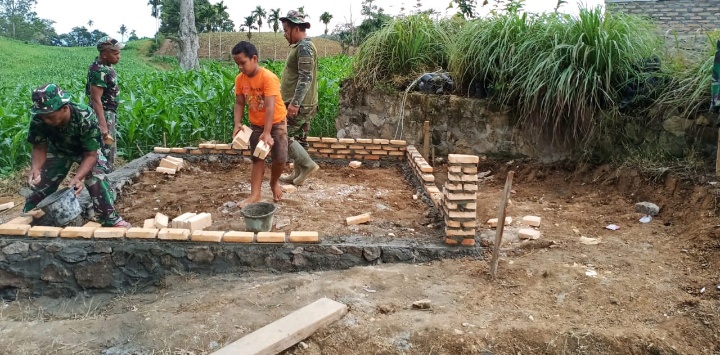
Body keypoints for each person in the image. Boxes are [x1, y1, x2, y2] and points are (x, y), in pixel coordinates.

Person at [24, 83, 130, 228]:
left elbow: (91, 155)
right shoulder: (39, 119)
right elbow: (39, 146)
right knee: (39, 184)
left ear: (65, 108)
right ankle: (27, 219)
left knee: (96, 179)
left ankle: (110, 219)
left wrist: (77, 178)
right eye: (43, 117)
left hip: (86, 152)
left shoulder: (85, 116)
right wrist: (36, 168)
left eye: (50, 117)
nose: (46, 121)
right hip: (59, 151)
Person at [232, 41, 289, 206]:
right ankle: (255, 195)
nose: (240, 67)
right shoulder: (240, 80)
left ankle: (273, 182)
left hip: (276, 122)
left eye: (243, 63)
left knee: (279, 158)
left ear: (254, 58)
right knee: (258, 158)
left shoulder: (268, 78)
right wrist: (237, 123)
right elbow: (239, 103)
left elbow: (270, 107)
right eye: (237, 64)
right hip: (256, 124)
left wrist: (267, 132)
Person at [278, 10, 320, 186]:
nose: (285, 34)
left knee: (282, 136)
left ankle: (308, 165)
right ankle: (298, 173)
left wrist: (294, 103)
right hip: (305, 103)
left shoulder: (303, 47)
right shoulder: (302, 46)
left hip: (299, 104)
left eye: (286, 30)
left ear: (296, 28)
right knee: (300, 139)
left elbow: (305, 76)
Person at [86, 35, 124, 173]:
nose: (118, 56)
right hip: (104, 114)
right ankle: (105, 185)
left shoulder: (105, 67)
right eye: (115, 53)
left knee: (109, 151)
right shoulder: (99, 71)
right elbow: (96, 99)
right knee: (106, 152)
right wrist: (103, 126)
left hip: (108, 114)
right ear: (104, 54)